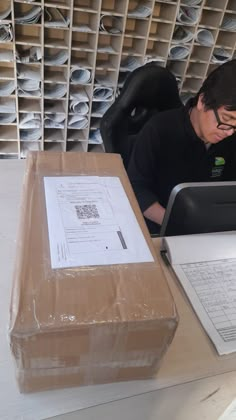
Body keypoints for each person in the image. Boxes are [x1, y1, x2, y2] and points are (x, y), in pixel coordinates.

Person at [127, 60, 236, 234]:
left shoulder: (230, 137)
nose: (229, 132)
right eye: (226, 120)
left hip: (209, 229)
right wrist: (176, 225)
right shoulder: (159, 129)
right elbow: (136, 188)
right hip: (159, 227)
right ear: (202, 101)